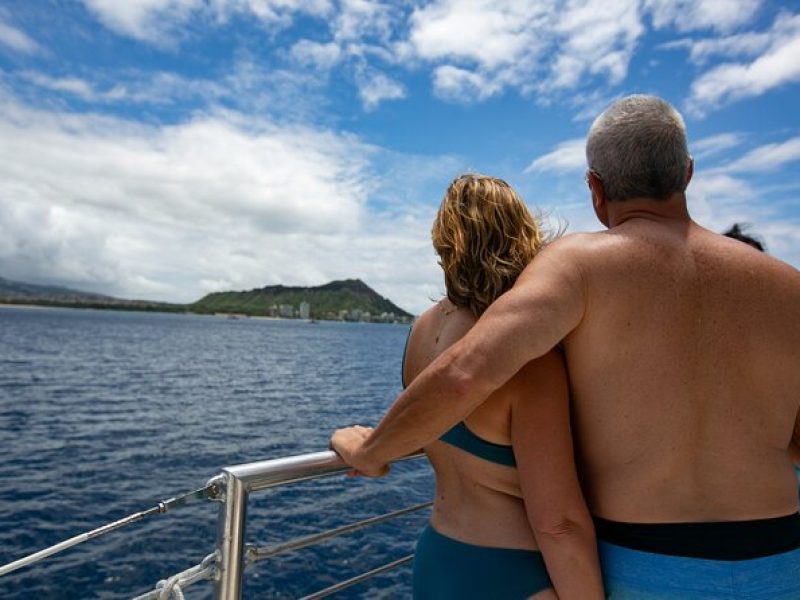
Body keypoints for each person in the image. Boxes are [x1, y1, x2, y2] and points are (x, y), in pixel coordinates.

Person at [332, 95, 800, 598]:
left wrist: (373, 449)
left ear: (594, 187)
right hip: (779, 560)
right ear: (687, 174)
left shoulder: (577, 266)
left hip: (642, 562)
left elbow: (464, 373)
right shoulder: (786, 286)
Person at [345, 175, 603, 599]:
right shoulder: (524, 358)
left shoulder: (420, 332)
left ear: (445, 244)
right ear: (522, 237)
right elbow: (559, 524)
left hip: (438, 556)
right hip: (515, 572)